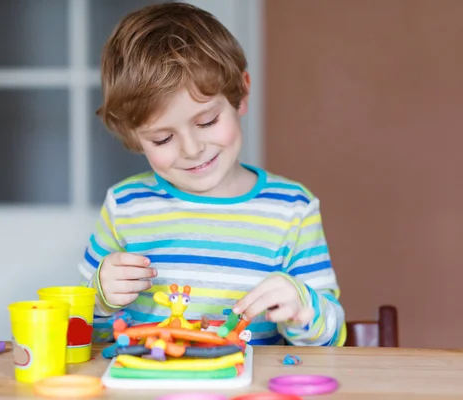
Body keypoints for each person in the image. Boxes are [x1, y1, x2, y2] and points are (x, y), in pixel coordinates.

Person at [79, 2, 345, 346]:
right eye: (162, 138)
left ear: (241, 94)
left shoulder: (292, 208)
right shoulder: (125, 206)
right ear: (133, 135)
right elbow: (82, 330)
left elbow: (333, 335)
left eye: (206, 122)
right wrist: (100, 298)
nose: (192, 149)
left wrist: (304, 309)